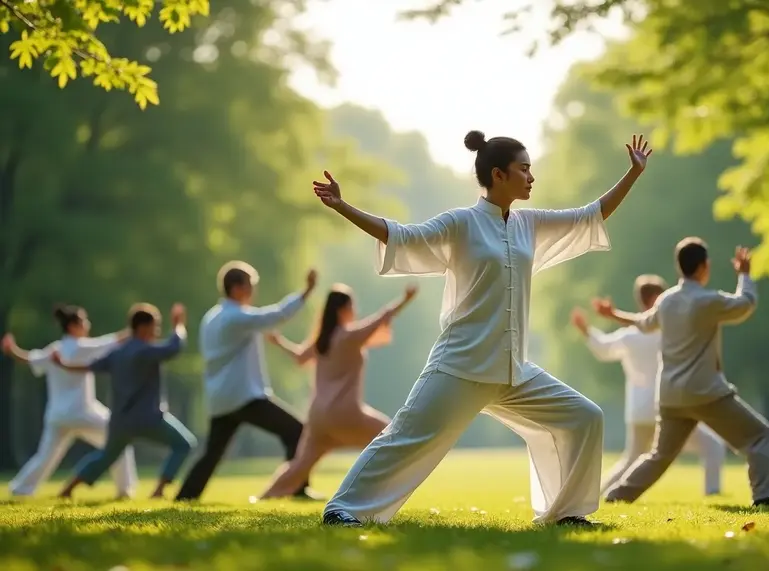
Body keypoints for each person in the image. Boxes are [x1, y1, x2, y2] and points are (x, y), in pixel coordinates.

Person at [317, 130, 653, 528]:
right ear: (498, 174)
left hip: (512, 369)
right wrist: (342, 206)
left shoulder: (530, 223)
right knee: (406, 436)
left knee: (584, 417)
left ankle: (566, 514)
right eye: (524, 169)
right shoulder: (461, 223)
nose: (531, 177)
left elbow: (591, 215)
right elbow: (399, 235)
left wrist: (633, 174)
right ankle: (342, 509)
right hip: (460, 364)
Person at [597, 238, 769, 507]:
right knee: (759, 435)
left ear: (680, 267)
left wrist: (614, 315)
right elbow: (746, 304)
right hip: (706, 393)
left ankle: (615, 497)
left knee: (659, 456)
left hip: (671, 396)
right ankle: (763, 498)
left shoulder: (666, 300)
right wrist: (745, 275)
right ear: (704, 266)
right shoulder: (708, 300)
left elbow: (642, 323)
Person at [256, 283, 419, 499]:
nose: (356, 310)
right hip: (344, 414)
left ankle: (263, 498)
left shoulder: (322, 340)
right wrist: (405, 299)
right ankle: (378, 491)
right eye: (352, 306)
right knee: (391, 437)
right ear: (343, 310)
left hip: (318, 417)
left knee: (299, 466)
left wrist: (278, 341)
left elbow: (299, 357)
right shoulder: (349, 336)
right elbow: (383, 317)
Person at [569, 274, 726, 497]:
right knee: (712, 447)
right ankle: (713, 492)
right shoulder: (668, 331)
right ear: (654, 298)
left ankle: (597, 494)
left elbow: (604, 349)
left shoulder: (629, 336)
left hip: (640, 410)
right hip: (668, 405)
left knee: (632, 459)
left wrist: (586, 330)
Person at [174, 262, 319, 501]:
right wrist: (307, 291)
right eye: (250, 286)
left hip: (221, 398)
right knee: (297, 431)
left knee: (212, 454)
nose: (253, 292)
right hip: (244, 396)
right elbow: (277, 315)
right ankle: (296, 487)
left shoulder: (212, 317)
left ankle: (184, 497)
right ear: (236, 288)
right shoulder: (235, 317)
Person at [54, 303, 195, 499]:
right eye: (155, 326)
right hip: (149, 418)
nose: (157, 331)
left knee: (106, 456)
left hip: (120, 421)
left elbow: (89, 366)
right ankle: (159, 490)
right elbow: (174, 347)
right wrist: (179, 326)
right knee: (184, 444)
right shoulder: (146, 351)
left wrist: (64, 364)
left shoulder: (117, 353)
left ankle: (68, 489)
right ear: (143, 327)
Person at [2, 305, 137, 498]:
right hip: (83, 412)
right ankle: (125, 489)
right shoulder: (82, 347)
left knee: (44, 457)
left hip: (57, 416)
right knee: (119, 438)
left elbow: (28, 358)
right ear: (73, 326)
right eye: (84, 321)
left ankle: (20, 489)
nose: (88, 324)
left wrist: (11, 349)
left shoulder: (54, 349)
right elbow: (114, 340)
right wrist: (138, 326)